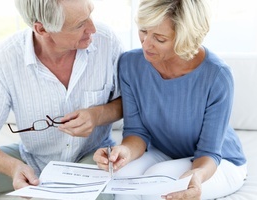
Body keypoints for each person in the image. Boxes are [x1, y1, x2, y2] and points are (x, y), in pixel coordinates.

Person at [0, 0, 123, 199]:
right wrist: (13, 168)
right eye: (79, 24)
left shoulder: (107, 42)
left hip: (92, 156)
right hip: (31, 159)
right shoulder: (5, 60)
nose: (92, 28)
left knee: (97, 194)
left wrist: (96, 115)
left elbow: (127, 104)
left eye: (90, 14)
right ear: (42, 29)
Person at [94, 0, 247, 199]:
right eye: (143, 30)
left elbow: (209, 152)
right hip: (165, 151)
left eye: (159, 38)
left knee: (159, 184)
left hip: (216, 163)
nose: (146, 43)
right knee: (119, 178)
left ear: (185, 38)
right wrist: (123, 151)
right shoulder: (130, 64)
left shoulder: (217, 76)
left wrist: (196, 175)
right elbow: (136, 132)